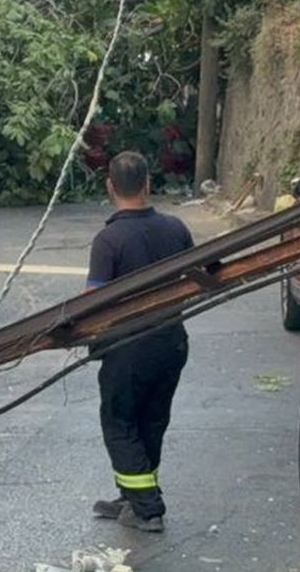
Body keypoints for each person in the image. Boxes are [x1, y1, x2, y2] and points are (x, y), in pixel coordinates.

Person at [85, 151, 194, 532]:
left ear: (110, 187)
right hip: (171, 343)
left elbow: (93, 304)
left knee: (119, 422)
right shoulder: (176, 229)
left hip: (128, 349)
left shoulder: (109, 240)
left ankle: (148, 507)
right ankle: (133, 496)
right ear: (148, 184)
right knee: (152, 420)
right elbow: (193, 281)